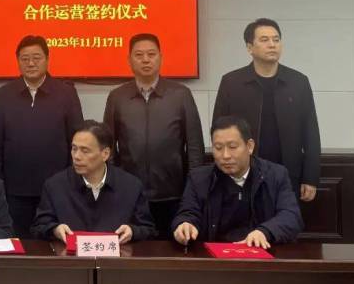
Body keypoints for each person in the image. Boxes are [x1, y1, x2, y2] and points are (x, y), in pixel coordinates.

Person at [103, 33, 204, 238]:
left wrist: (193, 189)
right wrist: (114, 184)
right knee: (132, 248)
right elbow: (108, 147)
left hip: (173, 194)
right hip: (130, 194)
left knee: (173, 248)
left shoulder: (181, 94)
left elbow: (194, 146)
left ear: (161, 57)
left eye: (151, 54)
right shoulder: (117, 97)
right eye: (139, 55)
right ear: (129, 60)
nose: (146, 60)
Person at [213, 18, 321, 202]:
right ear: (250, 47)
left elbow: (311, 133)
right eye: (264, 40)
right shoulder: (232, 83)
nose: (272, 44)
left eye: (276, 39)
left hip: (289, 175)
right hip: (243, 175)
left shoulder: (298, 82)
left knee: (286, 219)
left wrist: (310, 178)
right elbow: (218, 130)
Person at [0, 35, 84, 238]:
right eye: (25, 58)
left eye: (36, 58)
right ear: (18, 61)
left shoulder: (66, 93)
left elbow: (77, 142)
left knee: (54, 242)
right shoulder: (4, 94)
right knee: (19, 243)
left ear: (47, 59)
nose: (31, 63)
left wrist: (72, 183)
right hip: (15, 191)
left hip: (57, 188)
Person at [172, 116, 303, 249]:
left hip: (261, 252)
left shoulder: (275, 175)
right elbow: (187, 213)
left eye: (232, 147)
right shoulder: (198, 179)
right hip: (215, 255)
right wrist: (184, 224)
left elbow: (291, 216)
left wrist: (265, 232)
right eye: (218, 148)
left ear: (250, 146)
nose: (225, 155)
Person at [31, 120, 156, 243]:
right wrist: (54, 229)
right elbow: (38, 227)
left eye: (85, 151)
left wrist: (133, 231)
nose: (76, 156)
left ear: (105, 154)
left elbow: (148, 229)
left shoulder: (131, 186)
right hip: (70, 255)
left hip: (116, 255)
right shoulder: (55, 186)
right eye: (74, 149)